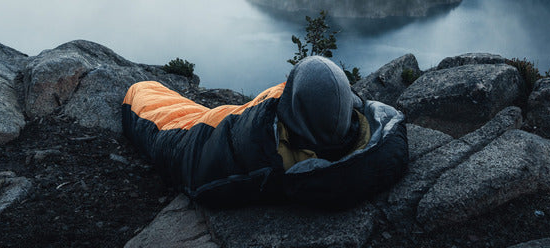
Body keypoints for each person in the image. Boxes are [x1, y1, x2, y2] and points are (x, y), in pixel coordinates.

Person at [122, 55, 408, 208]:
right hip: (238, 121)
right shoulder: (373, 132)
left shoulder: (261, 158)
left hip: (198, 133)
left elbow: (192, 161)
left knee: (145, 97)